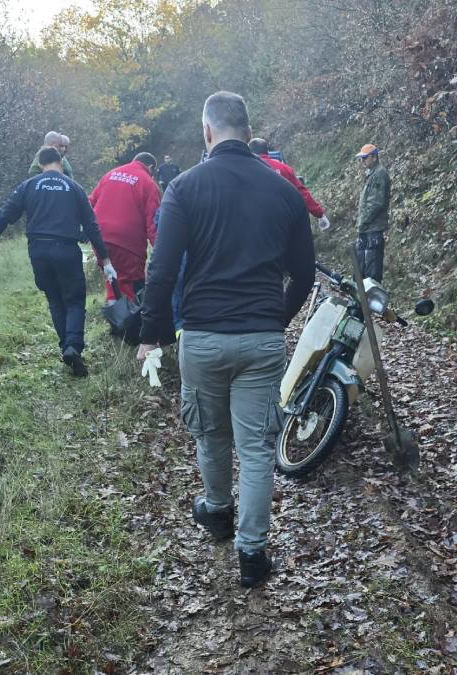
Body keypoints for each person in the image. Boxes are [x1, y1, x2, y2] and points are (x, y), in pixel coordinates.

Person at [135, 91, 315, 587]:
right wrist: (275, 320)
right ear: (246, 126)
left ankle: (216, 511)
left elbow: (163, 270)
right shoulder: (282, 191)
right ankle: (252, 556)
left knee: (211, 434)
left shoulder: (185, 188)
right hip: (260, 338)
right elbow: (303, 274)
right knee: (256, 449)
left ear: (207, 131)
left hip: (204, 338)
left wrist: (151, 334)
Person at [0, 146, 116, 376]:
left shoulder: (29, 186)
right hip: (66, 250)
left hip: (38, 250)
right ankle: (73, 347)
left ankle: (67, 348)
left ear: (40, 164)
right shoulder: (74, 187)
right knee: (73, 300)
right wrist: (106, 260)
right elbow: (92, 226)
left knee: (54, 299)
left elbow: (3, 216)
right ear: (60, 162)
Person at [89, 152, 160, 302]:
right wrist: (161, 251)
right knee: (131, 285)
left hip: (100, 239)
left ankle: (113, 314)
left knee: (112, 280)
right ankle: (126, 322)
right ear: (150, 167)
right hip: (128, 245)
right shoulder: (148, 183)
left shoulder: (110, 174)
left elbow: (89, 203)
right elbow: (153, 223)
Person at [248, 137, 330, 231]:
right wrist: (319, 214)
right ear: (267, 151)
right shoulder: (285, 169)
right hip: (286, 221)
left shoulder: (245, 171)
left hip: (259, 225)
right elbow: (302, 194)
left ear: (250, 152)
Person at [355, 143, 391, 281]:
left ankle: (372, 300)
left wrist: (363, 222)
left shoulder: (380, 174)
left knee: (372, 269)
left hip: (373, 228)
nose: (363, 161)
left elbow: (375, 203)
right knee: (362, 266)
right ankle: (361, 299)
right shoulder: (372, 174)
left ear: (374, 157)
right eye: (361, 158)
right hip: (367, 228)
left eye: (365, 158)